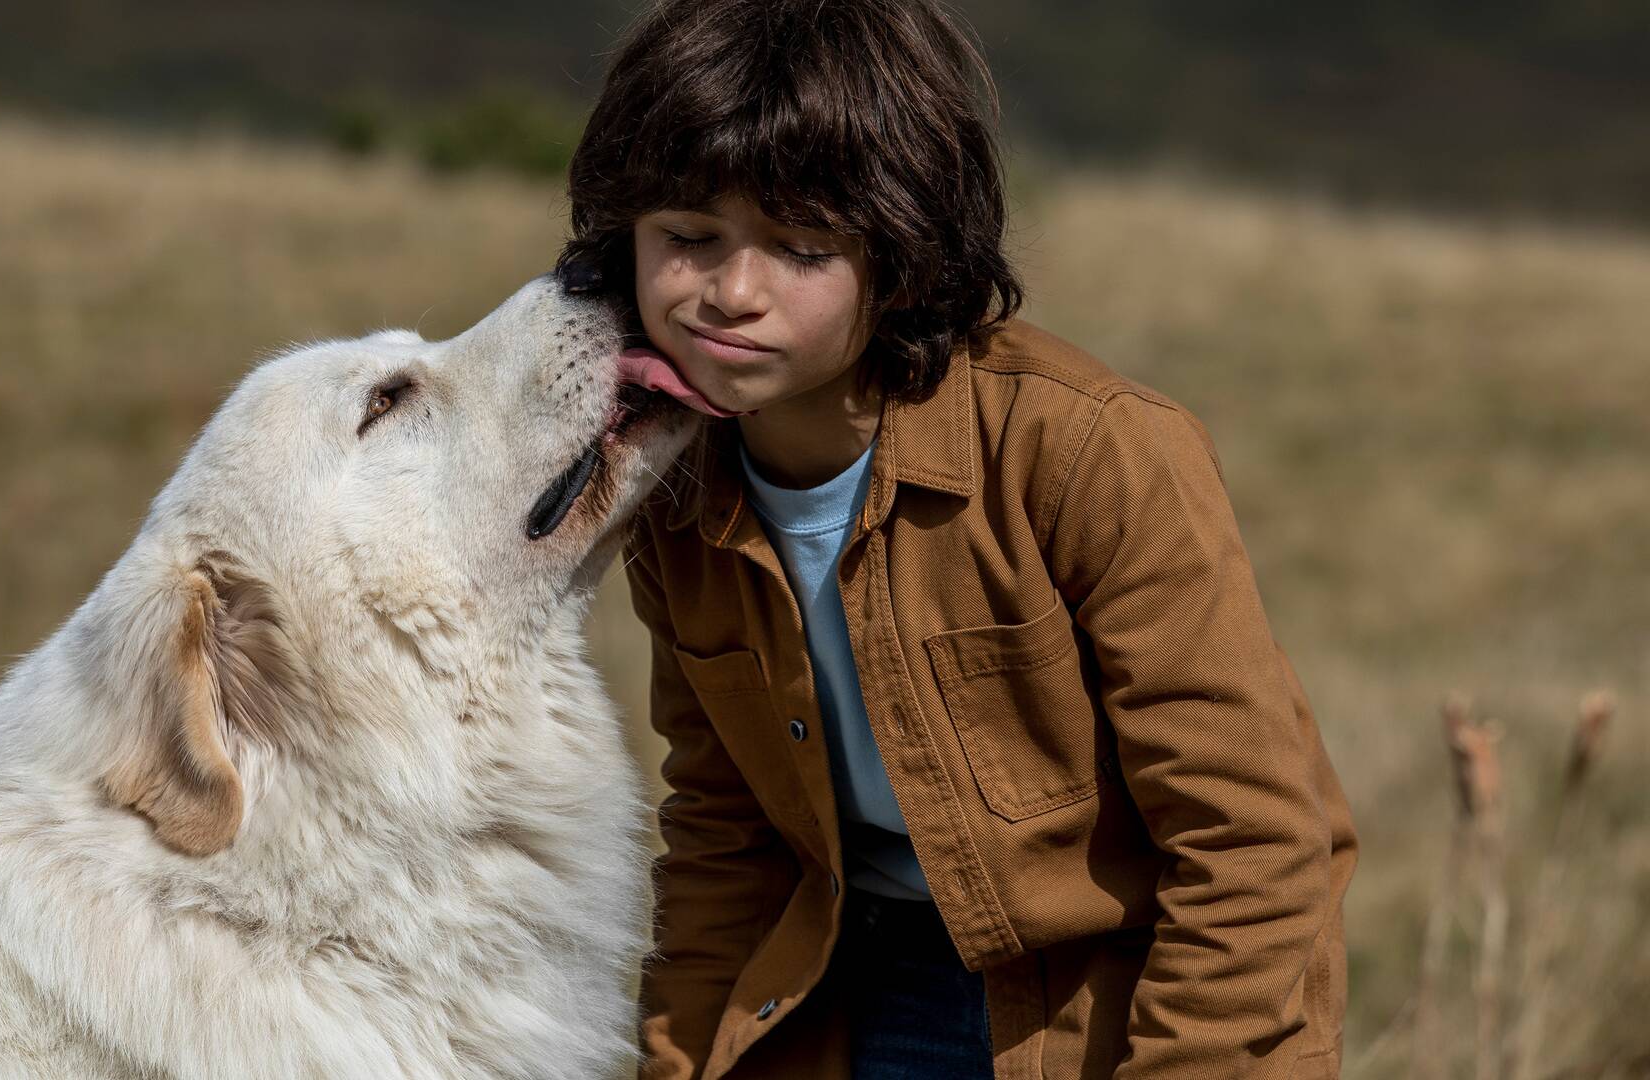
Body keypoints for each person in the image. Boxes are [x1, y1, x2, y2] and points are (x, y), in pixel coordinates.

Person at [556, 1, 1358, 1077]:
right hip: (845, 984)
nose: (732, 293)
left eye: (801, 248)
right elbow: (726, 831)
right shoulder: (679, 492)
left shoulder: (1089, 452)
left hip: (1114, 1001)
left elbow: (1254, 846)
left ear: (901, 257)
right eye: (688, 238)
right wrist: (678, 1062)